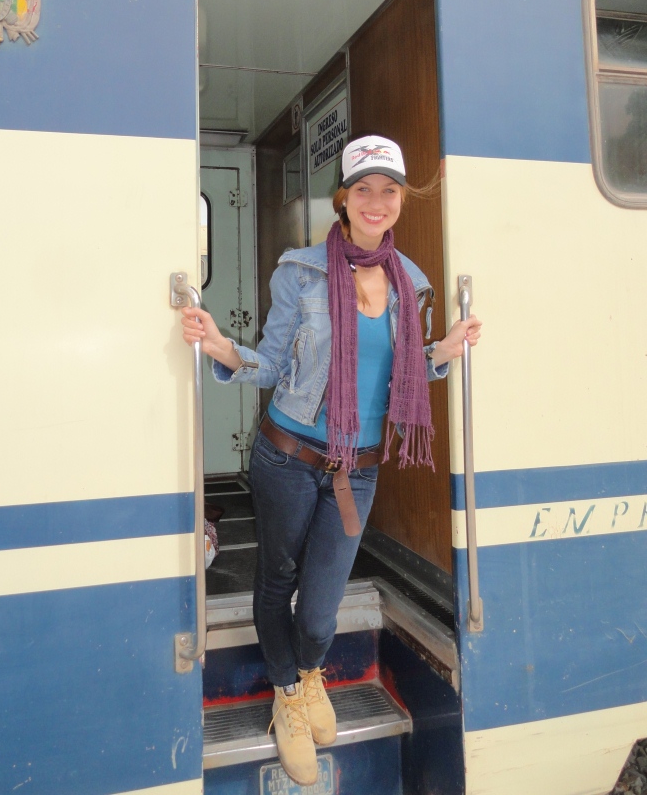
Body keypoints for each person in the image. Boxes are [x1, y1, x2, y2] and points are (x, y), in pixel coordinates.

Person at [182, 134, 481, 785]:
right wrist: (223, 348)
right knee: (276, 580)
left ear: (400, 200)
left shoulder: (412, 283)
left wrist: (444, 350)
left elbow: (401, 370)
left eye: (389, 190)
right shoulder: (301, 271)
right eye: (363, 189)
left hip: (358, 470)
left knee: (321, 605)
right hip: (288, 457)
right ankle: (289, 695)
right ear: (343, 199)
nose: (376, 202)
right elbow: (271, 363)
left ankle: (309, 671)